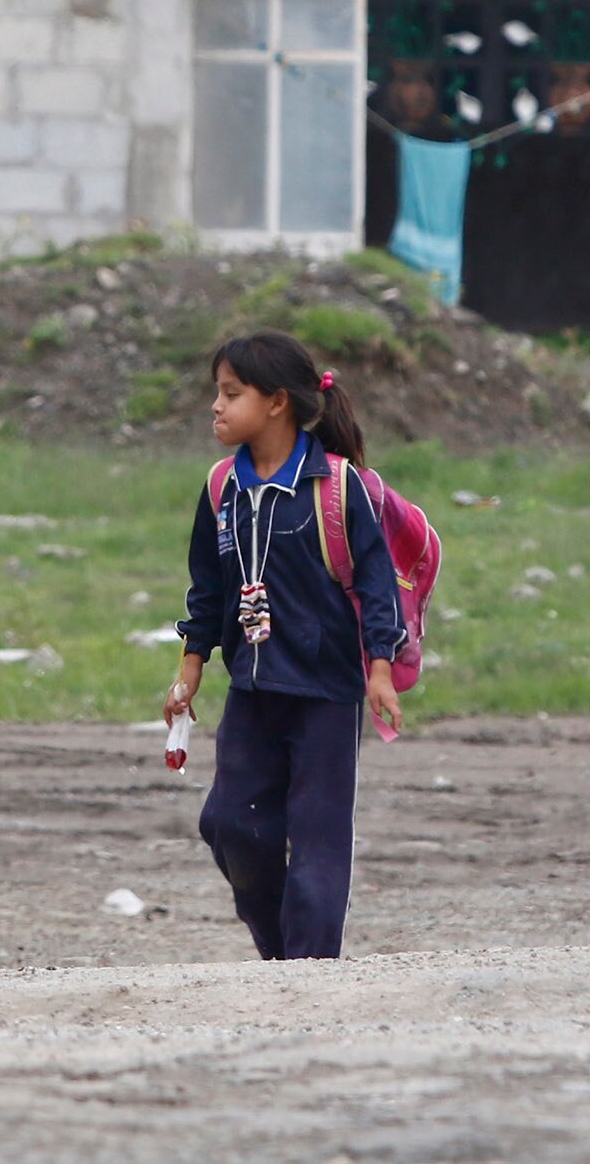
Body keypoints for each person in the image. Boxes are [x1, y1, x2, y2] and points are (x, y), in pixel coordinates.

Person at [162, 330, 402, 963]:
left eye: (231, 394)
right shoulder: (222, 488)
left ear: (276, 403)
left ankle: (312, 969)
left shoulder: (338, 488)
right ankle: (282, 956)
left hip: (327, 693)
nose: (216, 406)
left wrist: (379, 670)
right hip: (251, 690)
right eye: (217, 392)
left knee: (320, 840)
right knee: (230, 824)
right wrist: (190, 669)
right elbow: (207, 587)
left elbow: (379, 585)